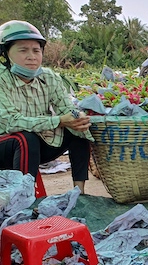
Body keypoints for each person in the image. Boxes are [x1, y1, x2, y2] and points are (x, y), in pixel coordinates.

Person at [0, 20, 92, 194]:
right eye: (23, 50)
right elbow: (10, 123)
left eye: (36, 50)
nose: (32, 56)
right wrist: (58, 120)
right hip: (6, 145)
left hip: (37, 143)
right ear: (5, 54)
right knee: (25, 138)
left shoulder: (49, 77)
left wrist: (76, 116)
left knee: (78, 129)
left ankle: (79, 193)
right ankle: (24, 199)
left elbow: (65, 108)